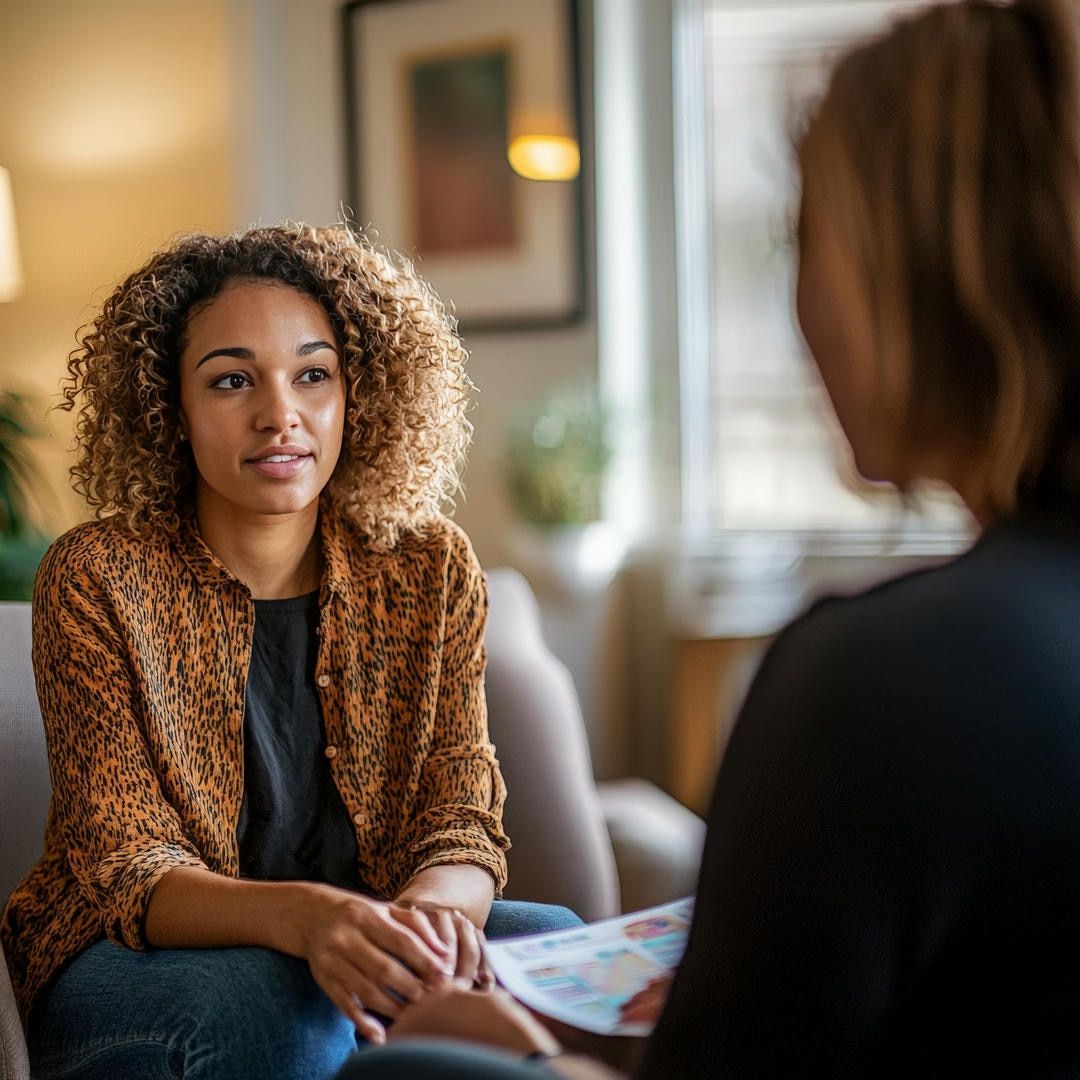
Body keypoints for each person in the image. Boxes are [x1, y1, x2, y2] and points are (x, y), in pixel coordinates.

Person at [334, 0, 1080, 1076]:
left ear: (918, 279)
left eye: (806, 238)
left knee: (418, 1065)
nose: (798, 298)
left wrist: (522, 1054)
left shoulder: (882, 681)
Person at [0, 223, 580, 1079]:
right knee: (280, 1004)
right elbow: (129, 866)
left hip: (352, 924)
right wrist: (310, 919)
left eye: (314, 374)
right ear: (171, 407)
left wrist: (429, 923)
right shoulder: (96, 578)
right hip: (123, 962)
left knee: (553, 953)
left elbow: (459, 811)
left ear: (358, 394)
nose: (282, 415)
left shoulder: (431, 568)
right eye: (232, 381)